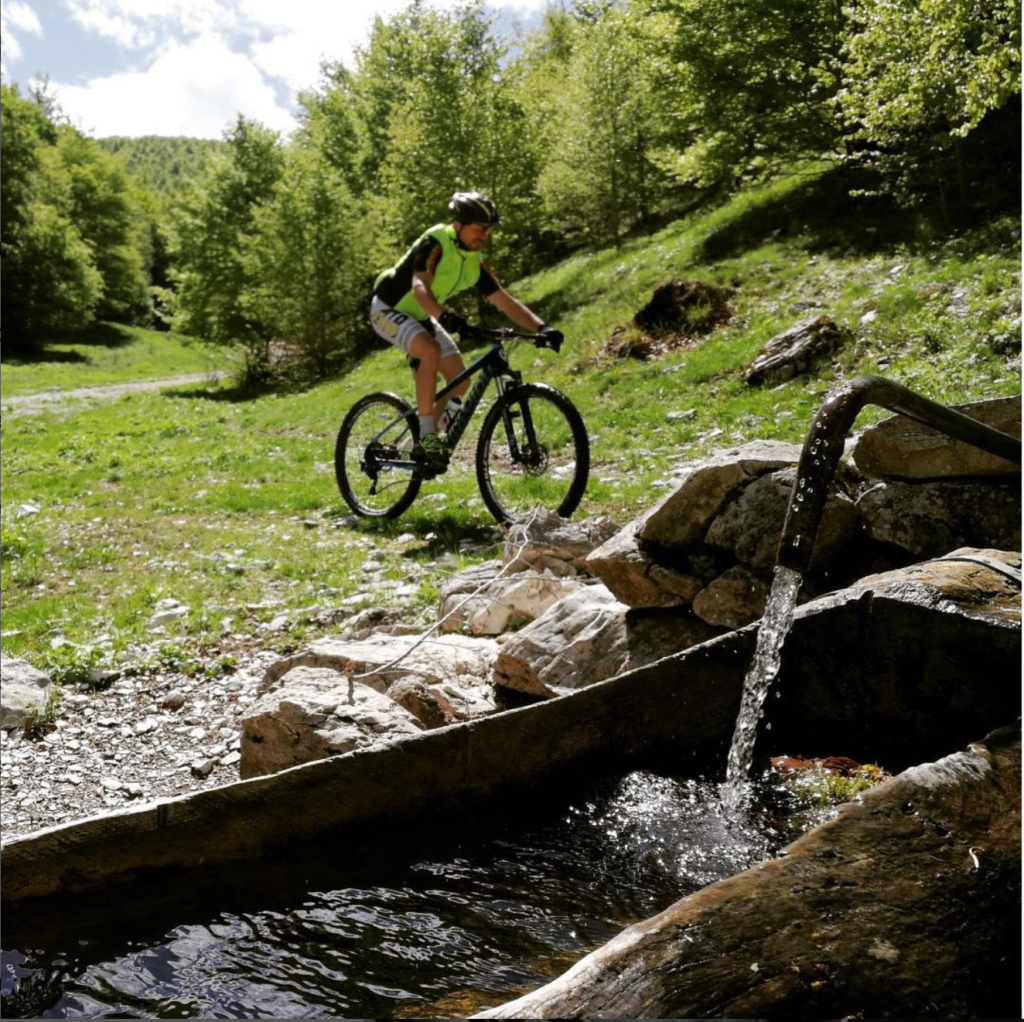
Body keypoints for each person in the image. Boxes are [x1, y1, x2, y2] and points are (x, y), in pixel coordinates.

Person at [370, 191, 563, 471]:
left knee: (459, 382)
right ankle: (427, 437)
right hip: (388, 309)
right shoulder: (434, 243)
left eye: (488, 230)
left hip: (422, 316)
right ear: (459, 224)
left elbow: (504, 301)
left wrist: (543, 327)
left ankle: (418, 446)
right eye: (479, 228)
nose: (484, 235)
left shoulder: (474, 261)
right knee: (429, 351)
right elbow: (420, 288)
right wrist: (444, 316)